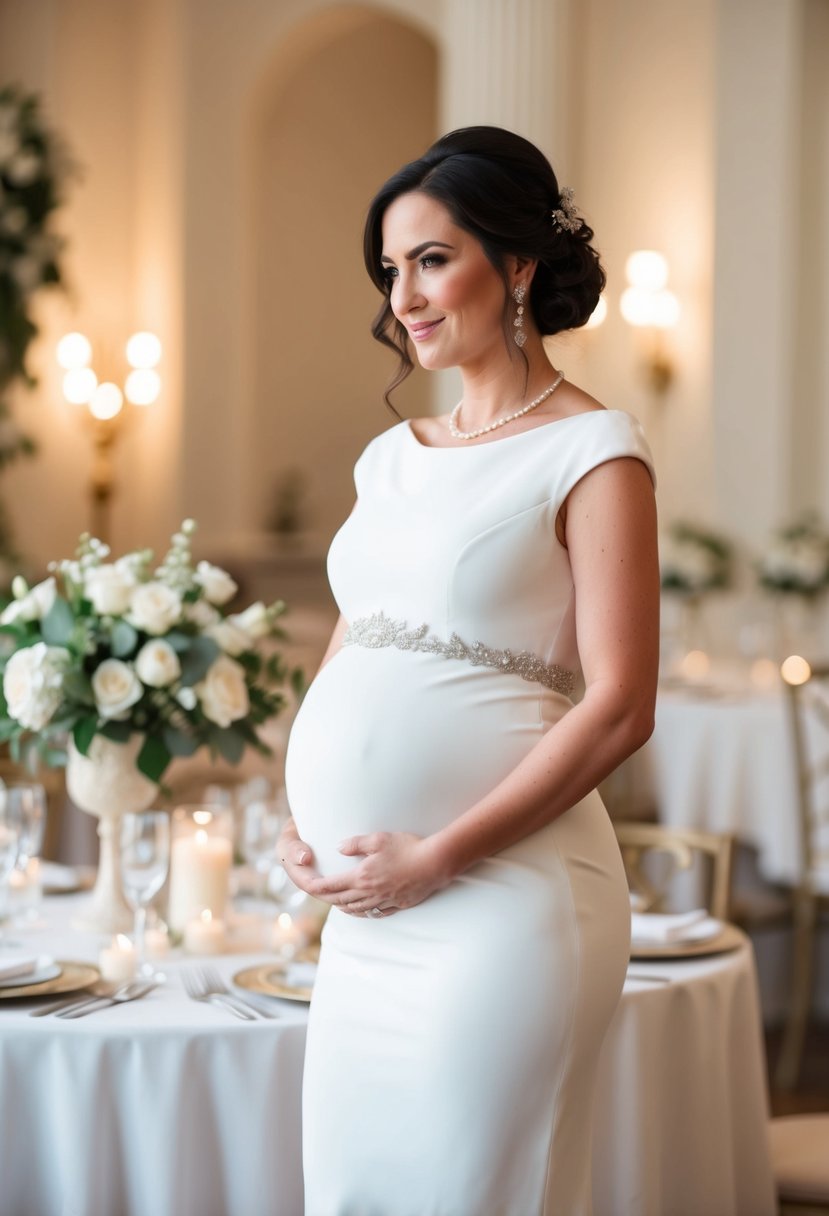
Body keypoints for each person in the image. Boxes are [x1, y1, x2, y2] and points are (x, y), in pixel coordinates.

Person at [278, 125, 659, 1216]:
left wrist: (439, 854)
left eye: (432, 259)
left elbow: (623, 705)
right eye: (390, 270)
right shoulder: (389, 457)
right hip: (368, 920)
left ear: (519, 264)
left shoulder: (594, 451)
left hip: (505, 908)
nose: (404, 295)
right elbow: (360, 632)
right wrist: (292, 807)